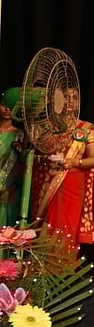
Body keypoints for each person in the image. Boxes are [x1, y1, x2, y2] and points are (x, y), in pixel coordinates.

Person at [31, 88, 94, 264]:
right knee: (45, 228)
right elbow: (31, 157)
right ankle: (41, 275)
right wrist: (46, 160)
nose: (70, 101)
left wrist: (73, 163)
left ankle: (63, 274)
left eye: (74, 97)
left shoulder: (86, 130)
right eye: (66, 97)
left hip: (72, 184)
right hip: (46, 185)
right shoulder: (45, 129)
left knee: (66, 229)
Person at [0, 88, 25, 227]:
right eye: (4, 105)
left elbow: (22, 166)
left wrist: (11, 189)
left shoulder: (20, 136)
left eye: (12, 106)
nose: (7, 109)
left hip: (7, 190)